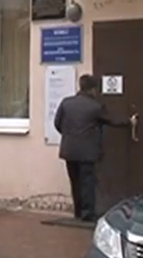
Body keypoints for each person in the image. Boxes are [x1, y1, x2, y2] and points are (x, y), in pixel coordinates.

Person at [54, 74, 138, 222]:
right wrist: (129, 121)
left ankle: (78, 212)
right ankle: (87, 214)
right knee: (87, 182)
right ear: (93, 89)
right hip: (87, 152)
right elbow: (112, 120)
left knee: (75, 182)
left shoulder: (66, 103)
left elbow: (57, 123)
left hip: (69, 150)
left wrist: (69, 135)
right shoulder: (95, 107)